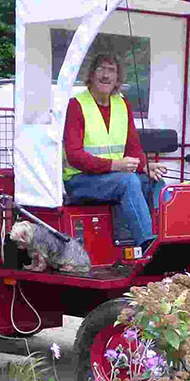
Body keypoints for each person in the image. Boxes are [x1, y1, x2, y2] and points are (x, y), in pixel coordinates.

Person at [63, 53, 169, 253]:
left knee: (156, 182)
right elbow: (74, 156)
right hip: (79, 182)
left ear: (117, 78)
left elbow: (133, 147)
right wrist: (114, 165)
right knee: (128, 181)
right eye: (101, 69)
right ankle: (149, 246)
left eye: (111, 70)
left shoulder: (123, 105)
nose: (105, 75)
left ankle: (168, 239)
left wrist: (144, 166)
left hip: (111, 178)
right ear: (91, 75)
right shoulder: (76, 105)